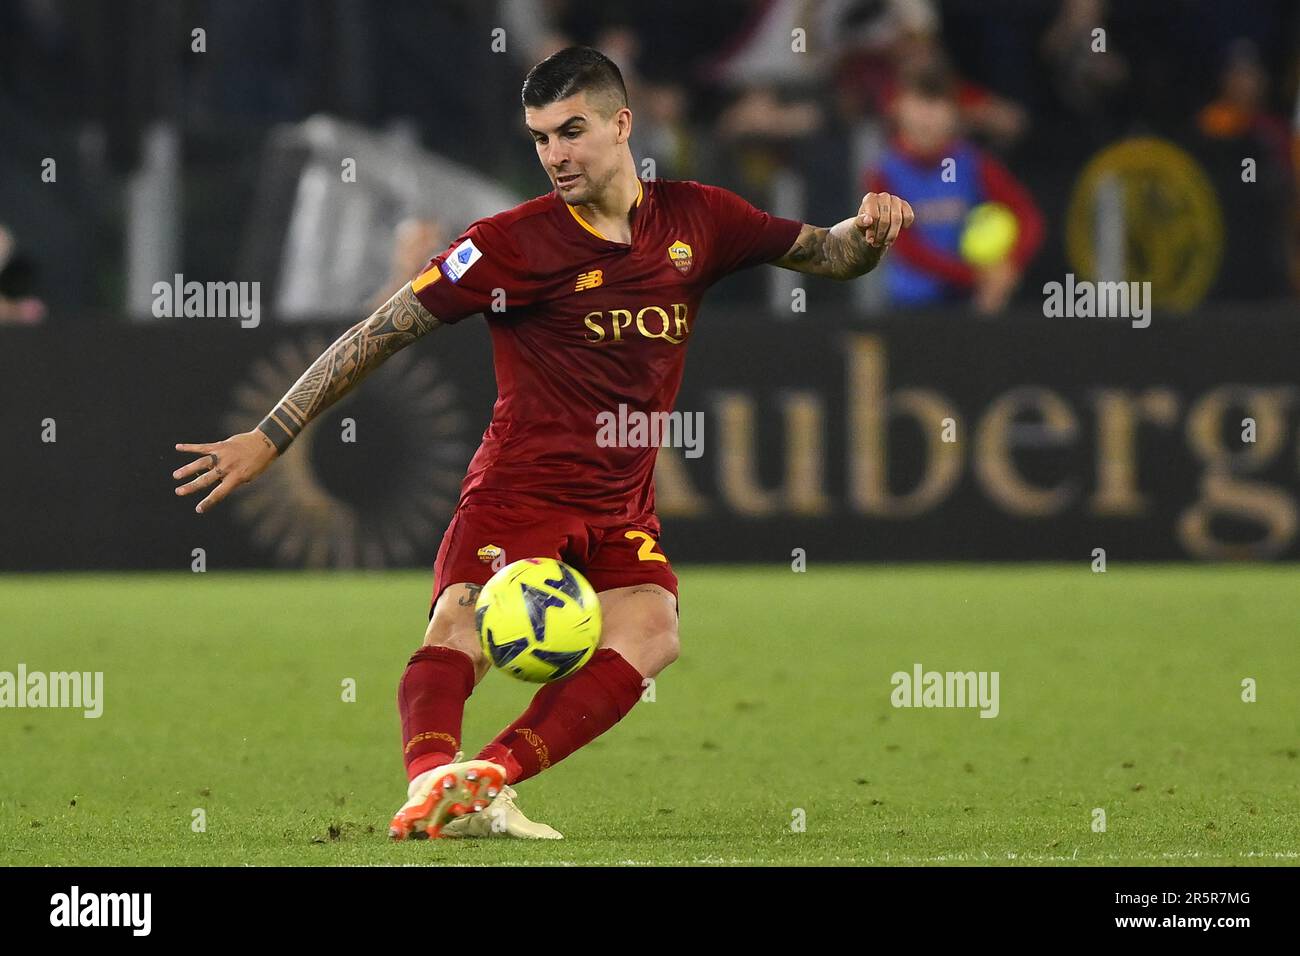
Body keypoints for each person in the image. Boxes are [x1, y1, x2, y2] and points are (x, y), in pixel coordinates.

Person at [171, 47, 913, 841]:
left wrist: (869, 230)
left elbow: (829, 253)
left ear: (623, 125)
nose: (555, 155)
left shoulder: (702, 219)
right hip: (521, 489)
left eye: (571, 132)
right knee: (461, 625)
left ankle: (485, 779)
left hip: (620, 499)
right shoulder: (509, 245)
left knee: (653, 631)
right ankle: (431, 786)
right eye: (539, 138)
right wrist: (271, 434)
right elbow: (380, 332)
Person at [866, 63, 1042, 314]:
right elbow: (903, 247)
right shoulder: (883, 175)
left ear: (954, 113)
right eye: (919, 103)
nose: (927, 116)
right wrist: (975, 275)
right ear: (898, 108)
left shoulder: (975, 165)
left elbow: (1027, 216)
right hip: (908, 310)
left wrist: (1008, 266)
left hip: (969, 305)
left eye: (937, 104)